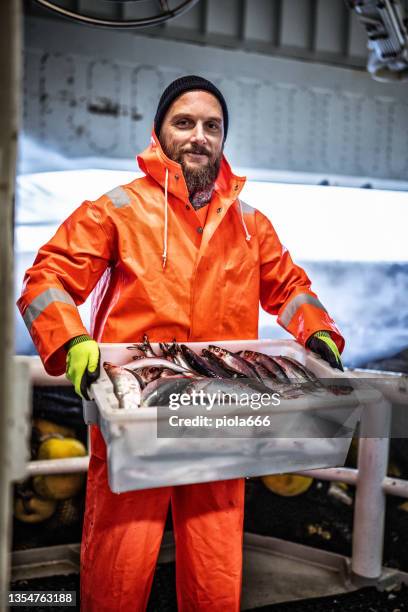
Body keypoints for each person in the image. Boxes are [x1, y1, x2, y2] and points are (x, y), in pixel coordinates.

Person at [18, 75, 344, 611]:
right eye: (184, 122)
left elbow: (290, 288)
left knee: (215, 558)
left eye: (211, 126)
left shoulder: (250, 225)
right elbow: (47, 278)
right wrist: (70, 340)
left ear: (222, 139)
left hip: (220, 412)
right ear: (160, 133)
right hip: (135, 412)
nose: (198, 136)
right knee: (120, 557)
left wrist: (320, 331)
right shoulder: (117, 209)